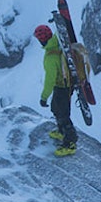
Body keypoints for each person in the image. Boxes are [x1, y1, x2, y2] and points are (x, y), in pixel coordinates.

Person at [34, 24, 77, 156]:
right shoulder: (59, 44)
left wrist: (44, 97)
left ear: (42, 40)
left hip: (61, 86)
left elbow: (50, 79)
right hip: (67, 84)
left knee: (63, 114)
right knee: (56, 109)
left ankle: (70, 143)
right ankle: (61, 131)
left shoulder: (51, 57)